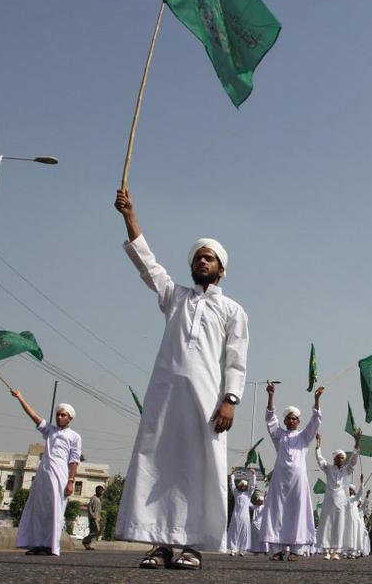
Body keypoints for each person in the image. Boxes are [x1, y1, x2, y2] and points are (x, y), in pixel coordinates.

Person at [113, 189, 249, 570]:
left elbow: (236, 360)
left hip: (207, 402)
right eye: (198, 258)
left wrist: (230, 400)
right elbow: (147, 264)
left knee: (199, 468)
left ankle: (194, 545)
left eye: (209, 258)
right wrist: (130, 215)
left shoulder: (232, 310)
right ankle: (160, 544)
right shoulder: (175, 297)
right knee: (160, 465)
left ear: (221, 269)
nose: (202, 261)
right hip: (165, 396)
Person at [11, 390, 81, 556]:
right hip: (43, 475)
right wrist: (20, 397)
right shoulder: (50, 430)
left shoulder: (74, 437)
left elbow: (74, 461)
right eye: (58, 414)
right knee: (39, 509)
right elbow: (34, 416)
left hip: (60, 476)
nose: (59, 417)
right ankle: (36, 543)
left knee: (54, 510)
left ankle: (50, 546)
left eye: (63, 415)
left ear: (70, 418)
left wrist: (71, 481)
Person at [261, 382, 323, 560]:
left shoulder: (304, 436)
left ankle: (296, 550)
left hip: (298, 481)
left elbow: (316, 421)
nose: (291, 421)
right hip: (280, 480)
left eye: (294, 418)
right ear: (285, 420)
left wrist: (317, 399)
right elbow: (270, 419)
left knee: (297, 511)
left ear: (298, 421)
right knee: (277, 511)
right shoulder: (279, 435)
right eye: (288, 418)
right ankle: (277, 549)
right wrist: (271, 395)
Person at [315, 430, 362, 559]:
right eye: (338, 458)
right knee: (327, 523)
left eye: (342, 458)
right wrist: (318, 445)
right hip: (330, 499)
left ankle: (336, 551)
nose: (340, 460)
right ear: (334, 459)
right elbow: (320, 460)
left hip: (342, 501)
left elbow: (354, 460)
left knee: (339, 525)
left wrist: (357, 442)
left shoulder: (347, 470)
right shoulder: (329, 468)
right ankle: (326, 551)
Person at [227, 467, 257, 556]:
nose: (243, 486)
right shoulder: (236, 493)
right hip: (236, 516)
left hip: (245, 517)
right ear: (240, 485)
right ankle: (233, 549)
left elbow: (253, 485)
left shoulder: (248, 494)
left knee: (244, 533)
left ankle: (242, 550)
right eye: (242, 485)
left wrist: (253, 475)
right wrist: (232, 474)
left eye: (245, 485)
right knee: (234, 532)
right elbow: (231, 485)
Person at [82, 485, 105, 550]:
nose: (101, 492)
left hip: (97, 518)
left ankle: (90, 545)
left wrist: (100, 517)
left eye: (102, 491)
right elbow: (89, 507)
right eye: (100, 491)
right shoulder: (93, 498)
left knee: (95, 532)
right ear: (97, 491)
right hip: (93, 518)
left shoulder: (99, 499)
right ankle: (85, 541)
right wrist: (92, 515)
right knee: (96, 531)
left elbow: (98, 510)